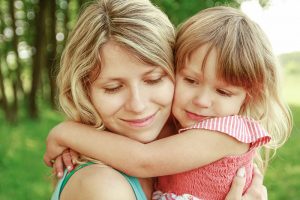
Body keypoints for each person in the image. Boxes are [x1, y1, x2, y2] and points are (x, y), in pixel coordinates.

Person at [45, 2, 271, 200]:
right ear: (85, 90)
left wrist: (69, 134)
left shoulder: (185, 143)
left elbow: (145, 160)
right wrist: (67, 133)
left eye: (153, 80)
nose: (138, 105)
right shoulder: (103, 187)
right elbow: (143, 160)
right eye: (113, 88)